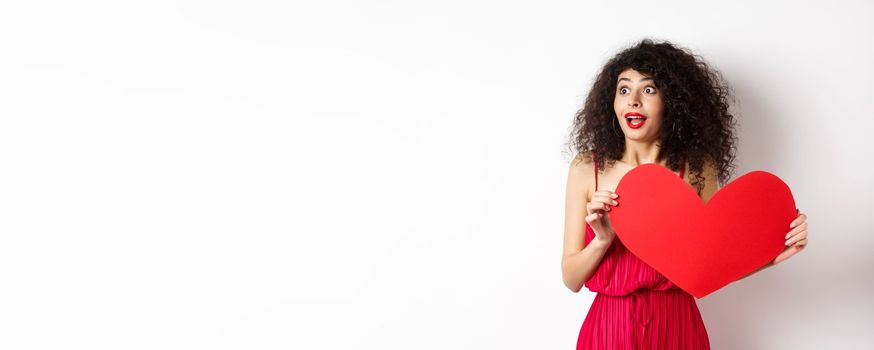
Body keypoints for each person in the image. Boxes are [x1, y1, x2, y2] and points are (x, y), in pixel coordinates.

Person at [561, 39, 810, 349]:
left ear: (673, 100)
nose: (633, 101)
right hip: (609, 328)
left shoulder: (694, 168)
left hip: (677, 326)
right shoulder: (587, 169)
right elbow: (571, 279)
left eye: (649, 90)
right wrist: (602, 239)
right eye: (624, 90)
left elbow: (711, 267)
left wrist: (773, 253)